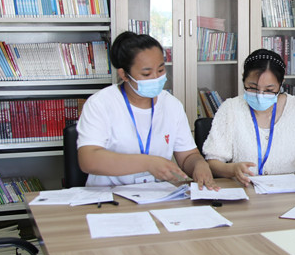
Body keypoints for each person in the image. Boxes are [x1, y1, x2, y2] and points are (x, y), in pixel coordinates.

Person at [77, 31, 215, 188]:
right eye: (146, 73)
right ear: (124, 74)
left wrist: (198, 164)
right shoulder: (100, 104)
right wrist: (148, 163)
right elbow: (88, 160)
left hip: (157, 195)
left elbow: (187, 155)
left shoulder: (171, 105)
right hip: (108, 195)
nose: (156, 78)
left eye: (161, 70)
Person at [203, 49, 295, 186]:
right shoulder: (230, 109)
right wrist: (232, 169)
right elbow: (212, 161)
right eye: (252, 87)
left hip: (291, 192)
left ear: (281, 84)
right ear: (243, 78)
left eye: (269, 90)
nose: (260, 95)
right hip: (247, 191)